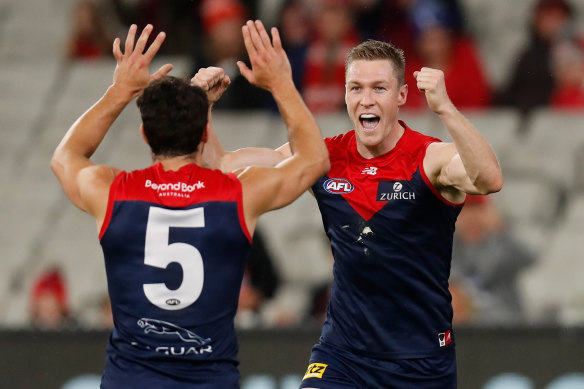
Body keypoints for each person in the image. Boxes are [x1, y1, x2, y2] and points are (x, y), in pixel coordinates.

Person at [203, 38, 503, 387]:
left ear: (401, 96)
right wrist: (203, 109)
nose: (366, 99)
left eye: (379, 88)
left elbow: (489, 179)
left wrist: (446, 108)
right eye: (356, 88)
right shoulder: (323, 157)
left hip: (419, 362)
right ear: (345, 95)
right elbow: (222, 168)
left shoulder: (428, 157)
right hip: (343, 355)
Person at [51, 21, 329, 388]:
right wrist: (280, 83)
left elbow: (66, 156)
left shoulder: (112, 192)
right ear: (204, 134)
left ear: (145, 135)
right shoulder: (238, 193)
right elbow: (314, 159)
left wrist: (120, 90)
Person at [450, 195, 536, 325]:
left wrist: (502, 229)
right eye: (464, 209)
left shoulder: (501, 242)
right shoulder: (448, 246)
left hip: (504, 326)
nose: (470, 216)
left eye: (476, 209)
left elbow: (530, 257)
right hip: (464, 330)